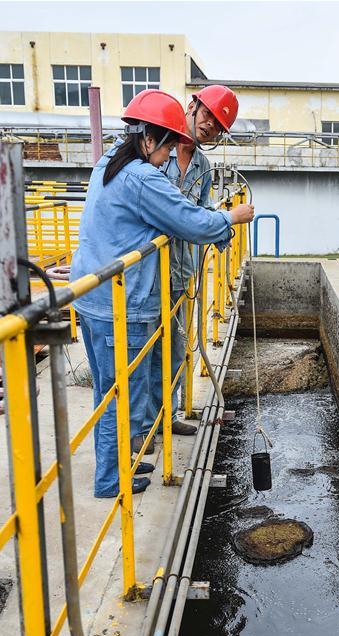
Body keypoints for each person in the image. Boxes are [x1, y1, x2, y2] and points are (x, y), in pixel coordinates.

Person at [70, 89, 254, 498]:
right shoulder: (142, 176)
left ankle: (121, 462)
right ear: (149, 140)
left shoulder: (109, 162)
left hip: (97, 295)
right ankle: (111, 480)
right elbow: (191, 220)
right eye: (167, 144)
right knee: (123, 394)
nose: (170, 152)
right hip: (128, 299)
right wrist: (231, 217)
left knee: (113, 392)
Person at [141, 85, 240, 450]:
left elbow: (200, 211)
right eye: (209, 115)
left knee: (176, 348)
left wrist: (221, 230)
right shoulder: (152, 153)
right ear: (193, 105)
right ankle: (143, 428)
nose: (210, 126)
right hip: (147, 273)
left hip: (182, 271)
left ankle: (166, 418)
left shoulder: (203, 167)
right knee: (145, 350)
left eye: (218, 125)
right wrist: (219, 220)